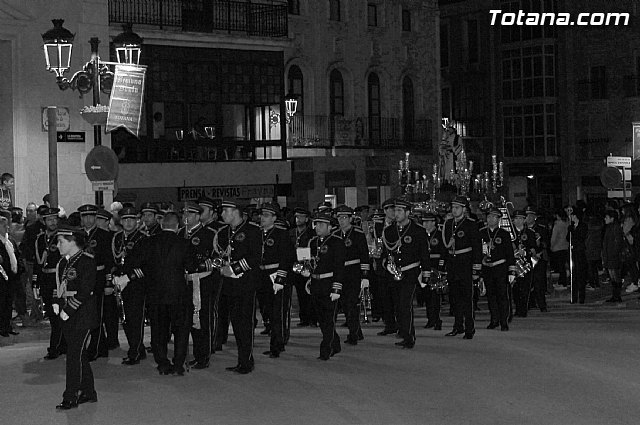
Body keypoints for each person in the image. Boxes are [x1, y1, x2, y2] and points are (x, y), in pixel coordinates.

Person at [114, 212, 197, 376]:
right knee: (180, 330)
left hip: (155, 294)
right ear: (177, 226)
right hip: (179, 294)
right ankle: (179, 363)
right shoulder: (184, 243)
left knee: (158, 330)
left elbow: (135, 265)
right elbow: (192, 266)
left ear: (162, 225)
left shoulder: (148, 242)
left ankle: (162, 363)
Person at [214, 200, 262, 374]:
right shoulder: (224, 232)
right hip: (228, 284)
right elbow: (220, 253)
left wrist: (234, 268)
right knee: (235, 323)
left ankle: (246, 361)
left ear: (235, 212)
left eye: (225, 211)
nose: (222, 214)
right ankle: (242, 360)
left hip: (245, 284)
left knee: (245, 324)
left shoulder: (252, 231)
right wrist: (221, 266)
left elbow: (255, 257)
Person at [54, 224, 98, 410]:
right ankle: (89, 392)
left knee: (73, 356)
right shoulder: (64, 262)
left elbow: (85, 291)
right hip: (68, 313)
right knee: (78, 354)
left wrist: (68, 310)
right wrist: (57, 301)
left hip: (83, 314)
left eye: (61, 241)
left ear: (72, 242)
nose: (57, 245)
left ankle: (71, 396)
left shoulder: (86, 261)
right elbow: (61, 285)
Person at [380, 199, 430, 348]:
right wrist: (387, 264)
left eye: (400, 211)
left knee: (405, 304)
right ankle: (404, 331)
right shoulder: (389, 231)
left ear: (408, 213)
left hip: (410, 272)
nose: (396, 214)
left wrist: (426, 273)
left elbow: (424, 254)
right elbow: (385, 252)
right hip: (393, 273)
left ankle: (409, 337)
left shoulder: (417, 230)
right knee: (397, 305)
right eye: (395, 211)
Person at [178, 201, 218, 370]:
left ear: (197, 216)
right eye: (184, 214)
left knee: (202, 319)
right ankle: (193, 354)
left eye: (189, 214)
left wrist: (201, 266)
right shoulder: (180, 233)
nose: (185, 218)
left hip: (202, 281)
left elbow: (217, 259)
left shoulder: (209, 234)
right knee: (187, 319)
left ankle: (204, 356)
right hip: (184, 281)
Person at [78, 204, 117, 360]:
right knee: (87, 315)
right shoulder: (78, 235)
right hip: (82, 280)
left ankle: (94, 349)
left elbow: (109, 261)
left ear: (95, 218)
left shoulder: (104, 236)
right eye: (85, 216)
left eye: (91, 216)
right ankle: (101, 348)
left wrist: (108, 283)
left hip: (98, 278)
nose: (88, 220)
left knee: (97, 315)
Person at [111, 207, 148, 365]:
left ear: (137, 221)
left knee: (135, 318)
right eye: (125, 219)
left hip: (136, 284)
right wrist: (113, 277)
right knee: (124, 318)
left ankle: (135, 351)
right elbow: (114, 261)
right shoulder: (117, 238)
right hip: (119, 284)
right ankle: (137, 347)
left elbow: (146, 265)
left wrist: (128, 277)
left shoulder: (143, 238)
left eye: (131, 219)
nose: (127, 222)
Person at [306, 212, 345, 360]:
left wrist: (337, 288)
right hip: (316, 284)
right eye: (317, 224)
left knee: (329, 319)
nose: (318, 227)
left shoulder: (336, 242)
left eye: (322, 224)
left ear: (330, 227)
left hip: (329, 284)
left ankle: (326, 350)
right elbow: (308, 262)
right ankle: (335, 343)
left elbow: (339, 267)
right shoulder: (312, 242)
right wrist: (306, 271)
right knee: (322, 319)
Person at [442, 196, 482, 339]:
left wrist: (476, 269)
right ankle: (457, 326)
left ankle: (469, 328)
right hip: (453, 265)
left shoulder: (471, 224)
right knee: (454, 298)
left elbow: (477, 248)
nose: (454, 210)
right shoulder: (448, 224)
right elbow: (445, 247)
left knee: (467, 298)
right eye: (453, 207)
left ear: (464, 209)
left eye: (457, 207)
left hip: (466, 264)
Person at [258, 202, 294, 358]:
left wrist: (280, 278)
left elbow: (287, 258)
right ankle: (275, 341)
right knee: (266, 310)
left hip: (276, 276)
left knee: (277, 312)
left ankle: (277, 345)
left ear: (274, 218)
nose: (262, 218)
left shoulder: (281, 234)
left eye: (266, 215)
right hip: (262, 276)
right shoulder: (258, 233)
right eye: (262, 215)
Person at [32, 207, 65, 357]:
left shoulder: (62, 237)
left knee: (58, 313)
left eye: (54, 219)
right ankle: (61, 344)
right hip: (45, 280)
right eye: (49, 219)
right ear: (43, 221)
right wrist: (35, 282)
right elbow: (37, 263)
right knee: (52, 315)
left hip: (58, 279)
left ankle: (55, 347)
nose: (53, 222)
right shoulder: (40, 239)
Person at [334, 205, 369, 345]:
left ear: (350, 219)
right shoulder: (335, 234)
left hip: (354, 272)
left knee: (351, 304)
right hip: (340, 273)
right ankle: (357, 331)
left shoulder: (358, 234)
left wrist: (365, 275)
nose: (341, 221)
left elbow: (364, 255)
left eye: (344, 218)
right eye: (339, 218)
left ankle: (353, 334)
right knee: (344, 304)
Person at [480, 207, 515, 331]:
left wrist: (511, 271)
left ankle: (504, 320)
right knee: (491, 296)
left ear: (499, 219)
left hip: (500, 268)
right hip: (487, 268)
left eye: (494, 217)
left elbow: (510, 254)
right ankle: (494, 319)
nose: (491, 219)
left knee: (502, 295)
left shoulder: (504, 234)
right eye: (489, 217)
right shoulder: (482, 233)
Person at [290, 207, 317, 327]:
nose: (297, 219)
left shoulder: (312, 233)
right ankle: (303, 318)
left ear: (306, 219)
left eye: (300, 217)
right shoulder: (291, 233)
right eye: (296, 217)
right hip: (295, 265)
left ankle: (313, 318)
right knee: (300, 293)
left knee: (309, 293)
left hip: (307, 265)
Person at [377, 198, 399, 336]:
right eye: (390, 209)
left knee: (397, 297)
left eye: (395, 209)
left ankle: (401, 324)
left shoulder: (399, 225)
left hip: (396, 263)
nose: (393, 212)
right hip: (381, 264)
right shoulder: (378, 226)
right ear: (385, 211)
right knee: (384, 297)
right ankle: (389, 324)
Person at [511, 210, 537, 317]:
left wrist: (526, 252)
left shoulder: (530, 233)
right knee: (515, 288)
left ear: (524, 220)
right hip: (514, 263)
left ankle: (523, 309)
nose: (518, 221)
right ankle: (517, 308)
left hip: (526, 264)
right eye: (516, 219)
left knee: (525, 287)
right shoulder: (510, 233)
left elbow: (534, 248)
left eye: (521, 218)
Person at [0, 209, 22, 337]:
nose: (7, 227)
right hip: (2, 277)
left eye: (7, 225)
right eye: (3, 226)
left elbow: (17, 255)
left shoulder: (10, 240)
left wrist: (19, 268)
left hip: (12, 277)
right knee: (2, 303)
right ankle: (2, 327)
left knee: (9, 303)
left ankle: (7, 326)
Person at [422, 213, 445, 330]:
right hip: (425, 268)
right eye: (423, 222)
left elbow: (443, 252)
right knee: (427, 295)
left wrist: (441, 268)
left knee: (435, 295)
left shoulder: (440, 235)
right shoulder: (421, 235)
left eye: (427, 222)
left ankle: (437, 319)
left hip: (436, 267)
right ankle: (430, 319)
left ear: (433, 223)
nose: (424, 224)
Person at [525, 207, 549, 312]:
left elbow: (546, 243)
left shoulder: (541, 229)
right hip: (526, 259)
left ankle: (542, 305)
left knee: (539, 283)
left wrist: (539, 252)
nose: (528, 218)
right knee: (526, 282)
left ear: (534, 217)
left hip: (539, 258)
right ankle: (529, 303)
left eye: (530, 215)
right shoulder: (522, 229)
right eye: (526, 216)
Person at [567, 207, 588, 304]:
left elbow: (581, 237)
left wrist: (573, 231)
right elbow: (568, 238)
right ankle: (574, 297)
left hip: (580, 252)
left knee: (580, 275)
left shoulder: (583, 226)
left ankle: (582, 297)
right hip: (573, 252)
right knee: (573, 275)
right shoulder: (571, 226)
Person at [602, 209, 624, 303]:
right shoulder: (610, 227)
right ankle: (615, 295)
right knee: (613, 276)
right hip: (610, 254)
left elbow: (617, 242)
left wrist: (613, 253)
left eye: (607, 217)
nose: (605, 219)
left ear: (612, 218)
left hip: (613, 255)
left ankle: (617, 295)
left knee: (615, 275)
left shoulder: (615, 228)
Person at [550, 208, 569, 288]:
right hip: (565, 246)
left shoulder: (557, 225)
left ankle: (562, 282)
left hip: (558, 247)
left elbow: (554, 237)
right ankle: (563, 281)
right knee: (563, 265)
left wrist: (551, 245)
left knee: (560, 266)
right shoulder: (567, 223)